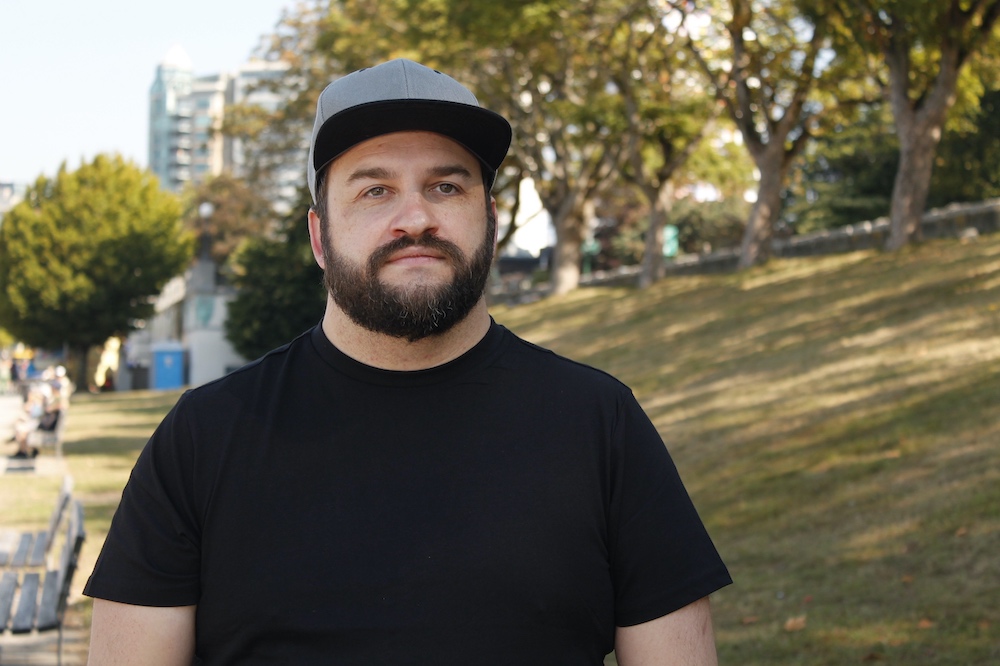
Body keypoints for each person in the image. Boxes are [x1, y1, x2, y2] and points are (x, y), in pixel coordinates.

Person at [84, 59, 731, 664]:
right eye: (375, 191)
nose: (414, 217)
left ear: (491, 219)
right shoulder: (202, 440)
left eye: (446, 185)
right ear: (318, 234)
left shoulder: (600, 425)